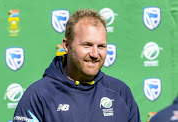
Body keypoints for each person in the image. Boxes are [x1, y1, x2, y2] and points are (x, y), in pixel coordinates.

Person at [13, 9, 141, 122]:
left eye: (101, 46)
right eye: (87, 45)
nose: (95, 54)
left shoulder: (120, 92)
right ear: (67, 46)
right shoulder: (39, 95)